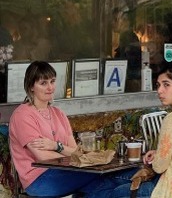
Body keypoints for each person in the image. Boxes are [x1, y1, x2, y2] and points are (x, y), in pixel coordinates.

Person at [9, 61, 120, 197]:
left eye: (52, 81)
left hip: (67, 172)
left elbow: (75, 150)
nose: (50, 87)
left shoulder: (58, 113)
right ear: (31, 86)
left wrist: (56, 146)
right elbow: (43, 157)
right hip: (38, 180)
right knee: (104, 178)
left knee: (102, 186)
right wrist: (73, 157)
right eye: (43, 83)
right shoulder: (23, 115)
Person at [109, 63, 172, 198]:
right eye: (158, 85)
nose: (159, 91)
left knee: (111, 190)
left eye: (166, 85)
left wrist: (158, 157)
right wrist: (159, 153)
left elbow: (159, 167)